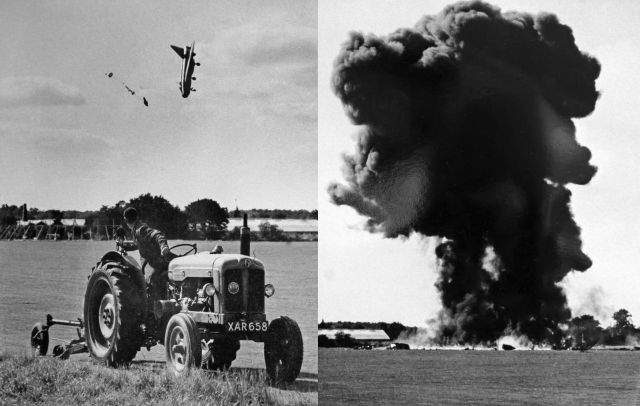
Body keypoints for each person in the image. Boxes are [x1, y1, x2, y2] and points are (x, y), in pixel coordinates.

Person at [121, 207, 176, 300]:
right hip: (153, 264)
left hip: (158, 264)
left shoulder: (140, 229)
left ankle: (160, 309)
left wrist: (164, 247)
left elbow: (158, 235)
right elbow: (139, 244)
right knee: (150, 283)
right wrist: (125, 246)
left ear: (126, 220)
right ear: (137, 217)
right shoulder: (135, 230)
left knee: (154, 281)